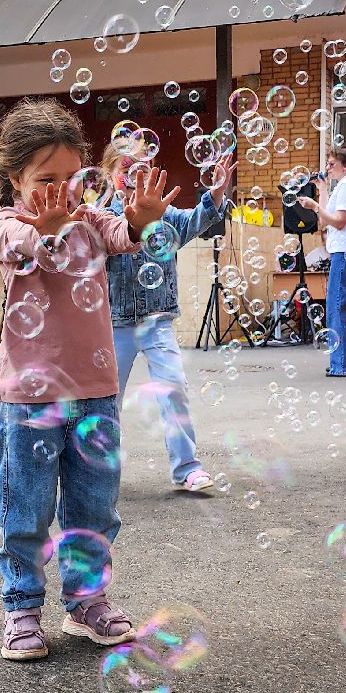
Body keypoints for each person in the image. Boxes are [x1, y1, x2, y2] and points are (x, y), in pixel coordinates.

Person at [0, 97, 176, 662]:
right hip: (31, 397)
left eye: (73, 178)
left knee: (95, 506)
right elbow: (17, 248)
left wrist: (139, 218)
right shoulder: (7, 223)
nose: (63, 192)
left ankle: (85, 601)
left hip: (95, 389)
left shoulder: (92, 221)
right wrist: (44, 232)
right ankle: (21, 606)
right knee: (27, 507)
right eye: (46, 179)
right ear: (14, 179)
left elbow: (122, 235)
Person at [101, 143, 235, 493]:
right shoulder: (103, 215)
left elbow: (194, 223)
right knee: (106, 399)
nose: (136, 176)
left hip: (157, 320)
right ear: (111, 174)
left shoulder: (164, 213)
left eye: (143, 169)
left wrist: (215, 196)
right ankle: (100, 471)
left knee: (174, 389)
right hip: (115, 322)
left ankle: (187, 467)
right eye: (127, 169)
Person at [298, 146, 346, 377]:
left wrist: (314, 206)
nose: (327, 168)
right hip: (344, 250)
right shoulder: (342, 187)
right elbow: (327, 216)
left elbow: (338, 222)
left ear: (345, 166)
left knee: (337, 307)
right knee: (336, 306)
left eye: (331, 164)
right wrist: (322, 188)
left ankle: (344, 365)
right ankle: (340, 360)